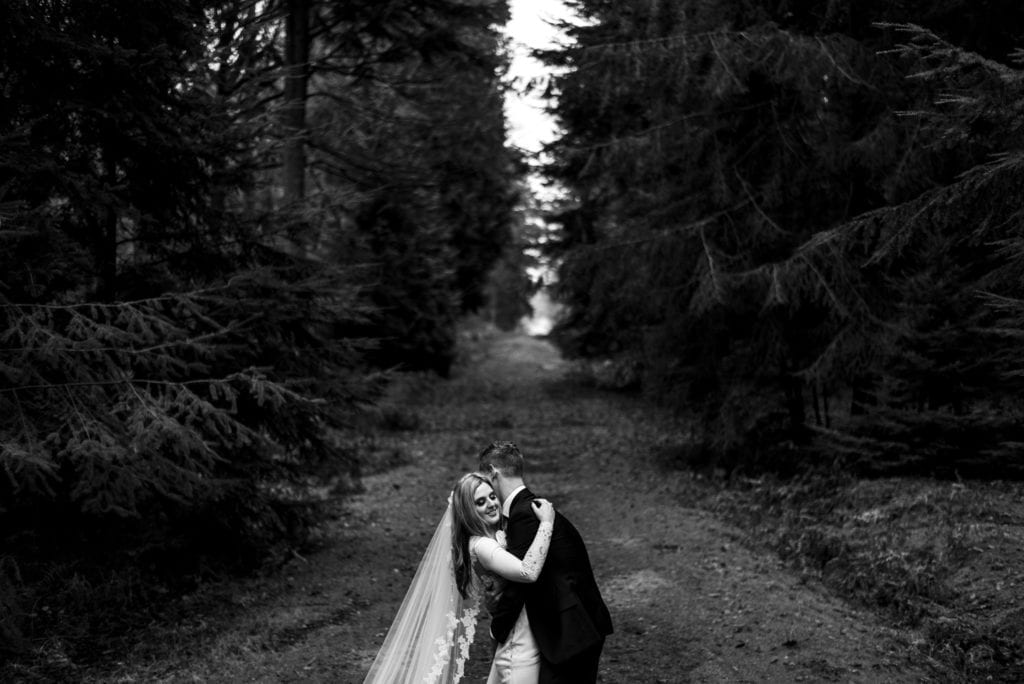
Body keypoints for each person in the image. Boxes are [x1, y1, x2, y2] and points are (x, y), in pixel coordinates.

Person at [362, 471, 555, 684]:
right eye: (480, 502)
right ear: (469, 512)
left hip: (517, 632)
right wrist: (547, 522)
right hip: (516, 647)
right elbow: (528, 572)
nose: (491, 504)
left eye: (492, 496)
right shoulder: (482, 546)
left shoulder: (494, 534)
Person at [479, 441, 613, 684]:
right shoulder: (534, 509)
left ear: (492, 472)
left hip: (573, 632)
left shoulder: (524, 515)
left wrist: (496, 630)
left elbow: (520, 584)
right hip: (573, 626)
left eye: (484, 478)